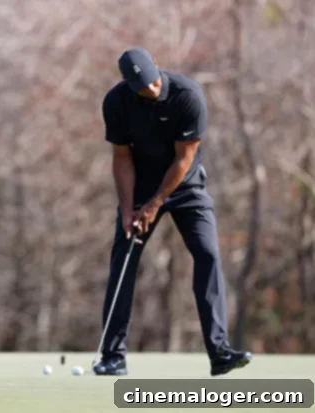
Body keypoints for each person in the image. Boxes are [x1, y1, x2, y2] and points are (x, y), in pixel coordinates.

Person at [94, 47, 252, 377]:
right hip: (139, 188)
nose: (149, 89)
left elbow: (184, 158)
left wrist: (155, 204)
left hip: (186, 187)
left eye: (152, 82)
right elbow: (121, 158)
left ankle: (219, 353)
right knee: (123, 259)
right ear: (126, 81)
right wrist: (128, 209)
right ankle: (113, 356)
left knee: (208, 254)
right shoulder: (116, 102)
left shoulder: (187, 95)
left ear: (156, 69)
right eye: (140, 85)